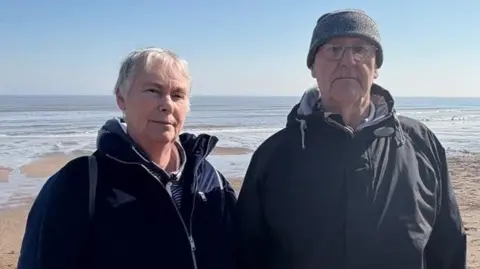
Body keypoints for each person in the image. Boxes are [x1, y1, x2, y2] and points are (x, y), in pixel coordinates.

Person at [235, 9, 467, 269]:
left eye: (360, 49)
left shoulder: (420, 144)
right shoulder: (274, 156)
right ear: (312, 66)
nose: (348, 60)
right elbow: (247, 252)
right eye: (334, 50)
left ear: (376, 66)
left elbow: (449, 245)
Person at [17, 48, 237, 269]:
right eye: (153, 90)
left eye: (178, 95)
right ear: (121, 98)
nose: (167, 104)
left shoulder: (210, 181)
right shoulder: (80, 183)